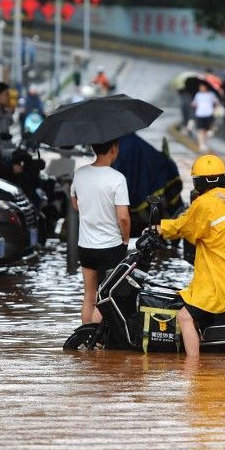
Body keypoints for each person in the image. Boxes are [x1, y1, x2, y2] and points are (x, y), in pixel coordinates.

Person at [156, 154, 225, 358]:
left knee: (184, 317)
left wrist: (160, 228)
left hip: (221, 280)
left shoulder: (204, 203)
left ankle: (193, 369)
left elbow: (184, 228)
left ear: (197, 181)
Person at [70, 138, 131, 325]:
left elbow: (75, 204)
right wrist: (126, 240)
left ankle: (85, 337)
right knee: (104, 297)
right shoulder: (117, 178)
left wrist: (91, 211)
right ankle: (97, 341)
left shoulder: (79, 174)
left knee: (89, 295)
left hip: (86, 247)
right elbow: (123, 217)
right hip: (111, 248)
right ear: (113, 148)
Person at [191, 83, 219, 152]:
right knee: (200, 130)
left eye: (202, 87)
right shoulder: (198, 95)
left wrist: (215, 109)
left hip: (209, 114)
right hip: (200, 114)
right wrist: (193, 104)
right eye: (200, 87)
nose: (201, 88)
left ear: (206, 87)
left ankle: (204, 143)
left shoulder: (211, 94)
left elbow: (217, 103)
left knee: (206, 130)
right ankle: (201, 145)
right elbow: (194, 103)